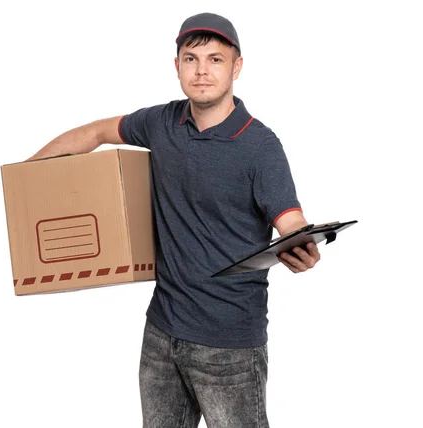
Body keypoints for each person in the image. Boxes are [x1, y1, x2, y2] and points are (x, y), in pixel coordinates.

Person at [28, 12, 321, 428]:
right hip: (162, 334)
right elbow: (93, 134)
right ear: (177, 66)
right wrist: (25, 176)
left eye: (215, 60)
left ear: (236, 67)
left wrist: (301, 246)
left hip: (229, 347)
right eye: (191, 59)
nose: (202, 71)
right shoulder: (162, 123)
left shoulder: (260, 145)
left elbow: (290, 219)